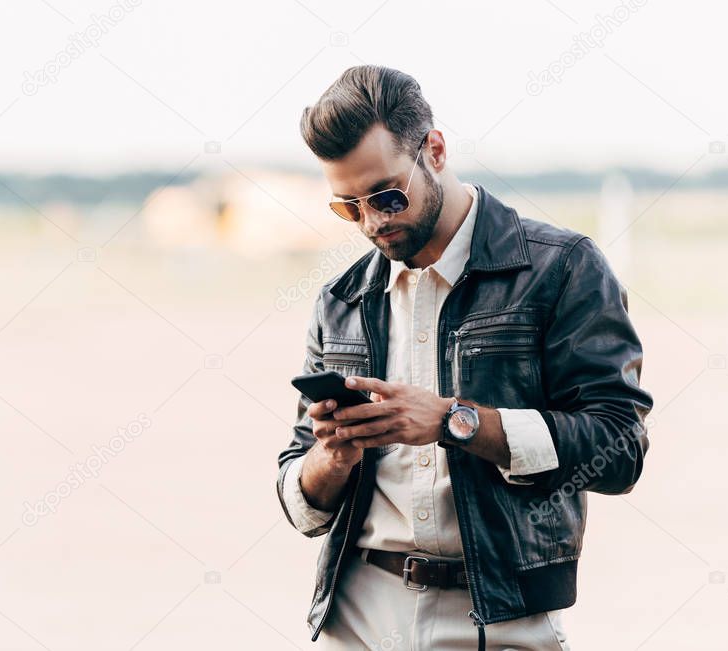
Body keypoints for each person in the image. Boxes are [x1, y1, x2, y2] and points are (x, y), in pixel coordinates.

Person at [275, 65, 654, 650]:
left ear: (435, 149)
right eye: (348, 208)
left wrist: (457, 422)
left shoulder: (562, 268)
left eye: (386, 195)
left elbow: (618, 449)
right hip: (355, 616)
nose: (373, 222)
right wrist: (333, 456)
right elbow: (302, 501)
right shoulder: (342, 301)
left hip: (502, 617)